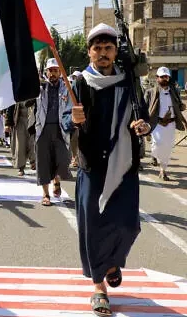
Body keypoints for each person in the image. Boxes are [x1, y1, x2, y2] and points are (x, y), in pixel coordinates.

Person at [72, 23, 151, 316]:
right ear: (90, 52)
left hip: (124, 162)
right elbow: (69, 116)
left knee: (128, 224)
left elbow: (142, 112)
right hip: (92, 163)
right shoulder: (80, 82)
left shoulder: (127, 80)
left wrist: (142, 124)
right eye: (97, 49)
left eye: (108, 49)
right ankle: (98, 288)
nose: (103, 54)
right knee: (93, 227)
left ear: (116, 51)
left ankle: (114, 262)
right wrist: (74, 117)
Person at [35, 58, 74, 206]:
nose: (52, 73)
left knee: (62, 160)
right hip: (43, 129)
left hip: (60, 129)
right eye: (50, 71)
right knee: (43, 161)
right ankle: (46, 194)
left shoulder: (67, 88)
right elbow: (28, 101)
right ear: (46, 72)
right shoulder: (40, 88)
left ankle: (56, 180)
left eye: (55, 70)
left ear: (60, 72)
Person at [145, 66, 186, 180]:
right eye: (162, 77)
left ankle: (163, 170)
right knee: (157, 144)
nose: (164, 79)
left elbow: (179, 105)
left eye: (166, 77)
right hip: (157, 123)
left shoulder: (174, 91)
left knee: (167, 148)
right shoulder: (150, 92)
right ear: (157, 78)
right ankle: (154, 155)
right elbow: (144, 108)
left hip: (171, 124)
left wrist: (182, 107)